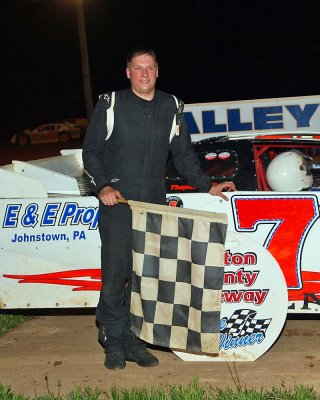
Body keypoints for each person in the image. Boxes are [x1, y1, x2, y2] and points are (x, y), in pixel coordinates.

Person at [82, 46, 236, 370]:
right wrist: (104, 186)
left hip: (153, 207)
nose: (144, 73)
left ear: (157, 71)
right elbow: (91, 152)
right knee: (115, 278)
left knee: (144, 279)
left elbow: (183, 156)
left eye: (149, 67)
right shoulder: (110, 104)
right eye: (138, 68)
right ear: (128, 72)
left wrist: (208, 185)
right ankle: (113, 342)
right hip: (118, 205)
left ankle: (136, 341)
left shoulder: (172, 106)